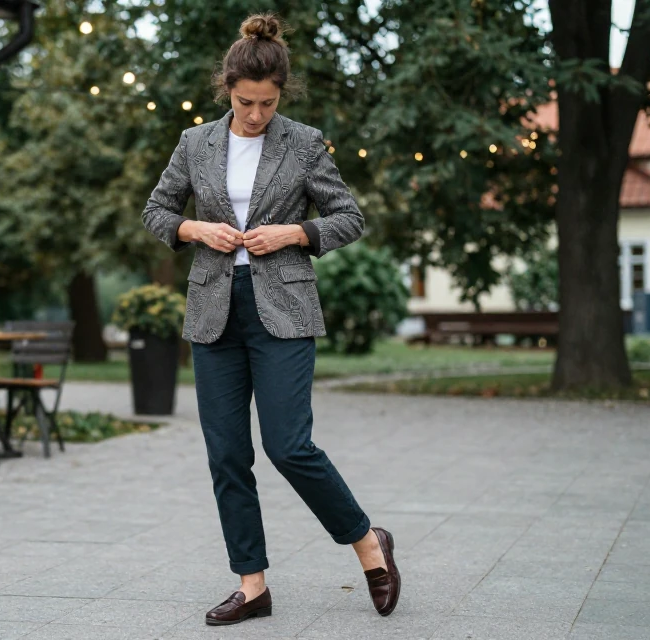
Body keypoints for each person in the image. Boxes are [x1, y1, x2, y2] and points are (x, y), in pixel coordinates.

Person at [141, 12, 400, 626]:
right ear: (226, 89)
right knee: (227, 454)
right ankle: (252, 586)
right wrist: (193, 228)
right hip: (213, 312)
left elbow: (349, 217)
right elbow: (156, 210)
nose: (256, 114)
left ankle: (369, 544)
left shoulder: (303, 143)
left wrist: (295, 232)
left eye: (268, 103)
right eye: (245, 102)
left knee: (288, 446)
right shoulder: (194, 143)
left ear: (281, 93)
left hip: (283, 309)